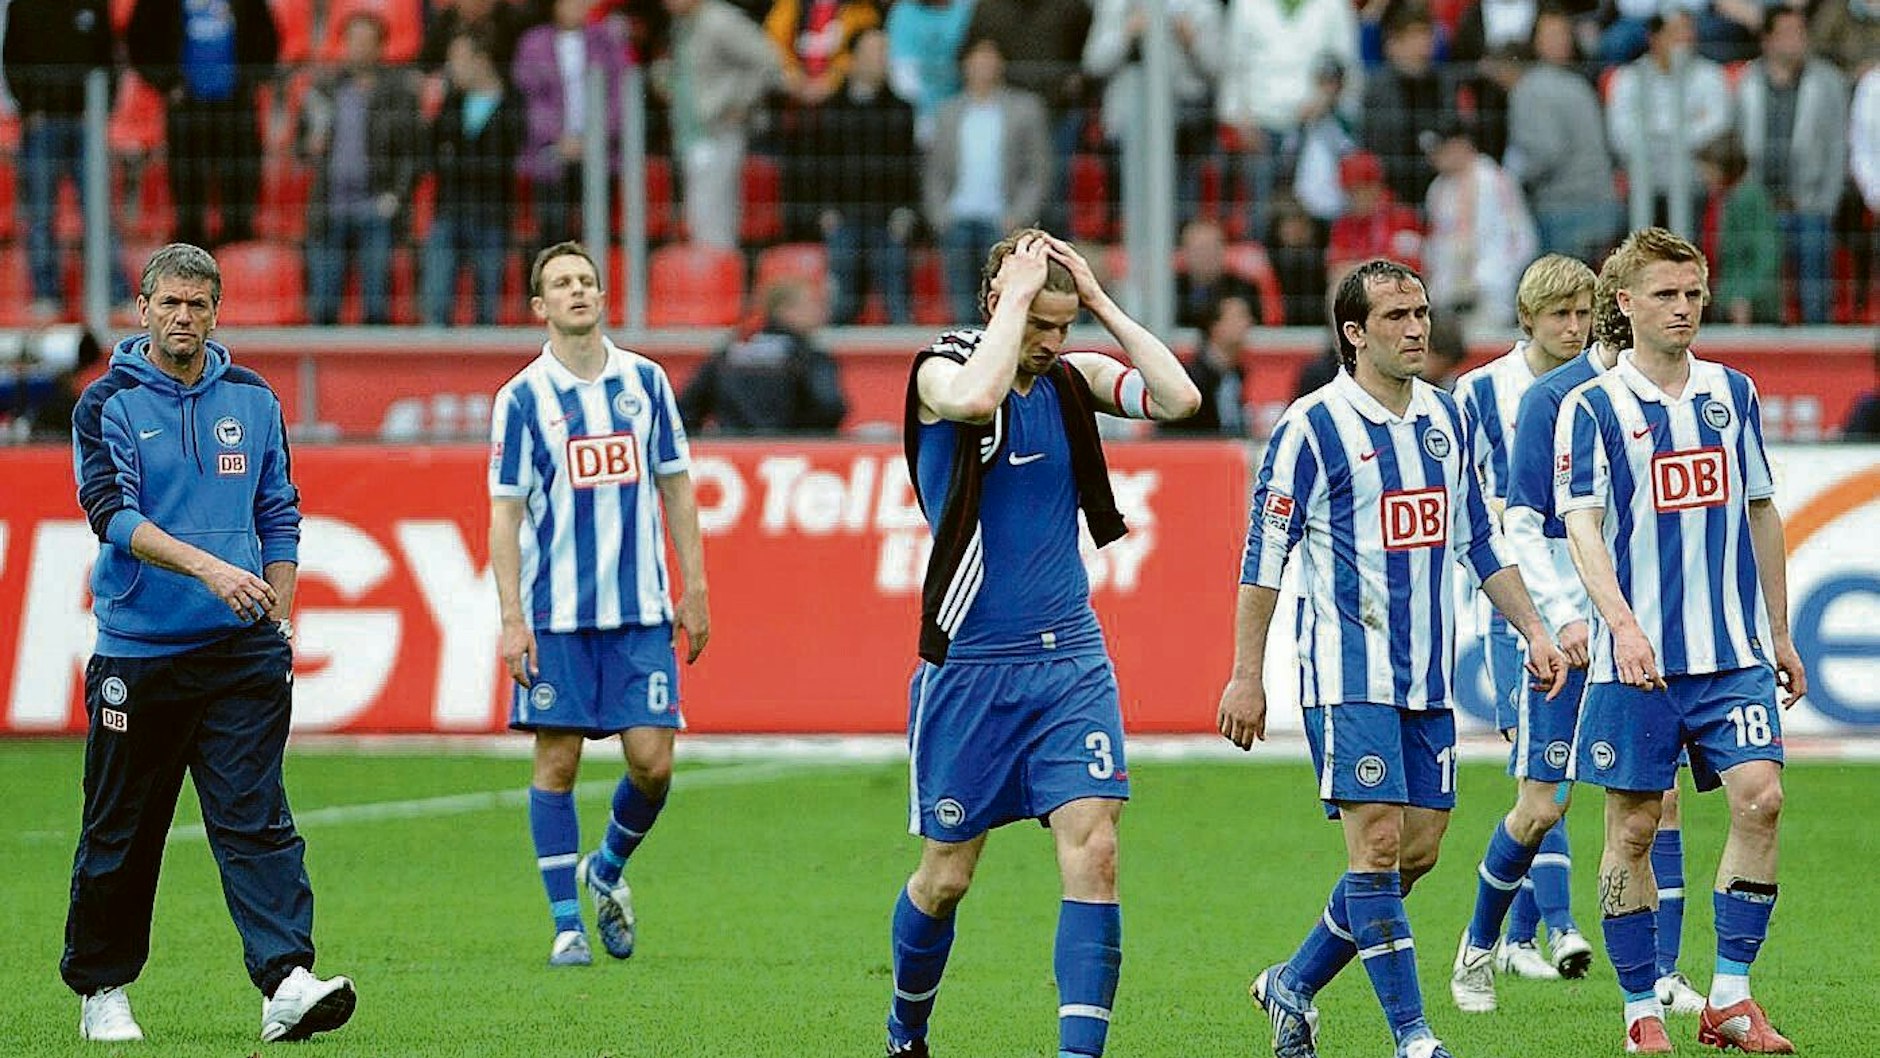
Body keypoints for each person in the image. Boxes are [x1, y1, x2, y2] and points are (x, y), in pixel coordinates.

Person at [1218, 258, 1567, 1058]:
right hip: (1348, 674)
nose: (1418, 329)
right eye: (1397, 317)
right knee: (1374, 847)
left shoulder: (1447, 421)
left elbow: (1481, 541)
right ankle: (1414, 1037)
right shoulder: (1311, 428)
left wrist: (1534, 631)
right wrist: (1246, 674)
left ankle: (1294, 983)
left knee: (1415, 854)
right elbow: (1262, 558)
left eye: (1421, 313)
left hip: (1427, 676)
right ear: (1353, 333)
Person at [885, 229, 1200, 1058]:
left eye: (1065, 328)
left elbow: (1179, 400)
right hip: (972, 665)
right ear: (998, 302)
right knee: (945, 877)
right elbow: (972, 402)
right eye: (1040, 324)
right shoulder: (938, 370)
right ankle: (905, 1030)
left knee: (1095, 851)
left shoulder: (1067, 379)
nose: (1053, 344)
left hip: (1070, 664)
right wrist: (1017, 302)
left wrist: (1096, 301)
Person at [63, 243, 356, 1043]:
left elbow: (279, 510)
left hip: (240, 654)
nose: (183, 318)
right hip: (140, 651)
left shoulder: (254, 399)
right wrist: (211, 570)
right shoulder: (107, 403)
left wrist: (278, 610)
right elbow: (110, 516)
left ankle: (286, 981)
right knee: (123, 826)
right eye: (170, 304)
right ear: (143, 308)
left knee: (257, 818)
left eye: (198, 305)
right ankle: (103, 989)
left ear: (216, 312)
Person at [1554, 226, 1804, 1054]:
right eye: (1666, 293)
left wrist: (1780, 631)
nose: (1685, 307)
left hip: (1730, 653)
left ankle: (1730, 996)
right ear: (1623, 305)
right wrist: (1620, 625)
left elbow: (1761, 510)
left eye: (1693, 292)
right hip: (1641, 662)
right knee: (1631, 831)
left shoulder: (1734, 392)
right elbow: (1583, 531)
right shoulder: (1590, 407)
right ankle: (1638, 1012)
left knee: (1761, 799)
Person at [488, 242, 712, 968]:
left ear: (601, 296)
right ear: (540, 307)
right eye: (561, 283)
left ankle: (607, 867)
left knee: (653, 763)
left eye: (586, 280)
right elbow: (505, 514)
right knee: (556, 765)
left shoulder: (645, 382)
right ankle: (565, 927)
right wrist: (512, 618)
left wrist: (696, 586)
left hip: (640, 610)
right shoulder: (522, 399)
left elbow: (676, 484)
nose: (577, 290)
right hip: (555, 615)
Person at [1448, 255, 1601, 1006]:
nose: (1573, 328)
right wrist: (1520, 601)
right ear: (1528, 318)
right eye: (1559, 315)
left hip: (1603, 612)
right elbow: (1472, 509)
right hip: (1519, 614)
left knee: (1636, 797)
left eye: (1583, 313)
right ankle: (1554, 928)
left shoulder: (1605, 387)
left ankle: (1516, 940)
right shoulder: (1479, 394)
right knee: (1543, 785)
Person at [2, 0, 136, 320]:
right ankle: (46, 295)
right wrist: (28, 108)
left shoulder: (93, 4)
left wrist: (102, 107)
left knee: (99, 212)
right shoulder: (24, 6)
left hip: (85, 121)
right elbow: (12, 60)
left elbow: (109, 58)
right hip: (42, 122)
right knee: (41, 212)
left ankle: (115, 295)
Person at [677, 279, 848, 433]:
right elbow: (830, 406)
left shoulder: (729, 352)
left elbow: (686, 410)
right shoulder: (807, 356)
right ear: (785, 309)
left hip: (731, 455)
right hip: (788, 457)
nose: (822, 312)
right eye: (814, 304)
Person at [1162, 294, 1254, 436]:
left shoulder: (1237, 374)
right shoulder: (1191, 379)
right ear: (1215, 326)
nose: (1248, 323)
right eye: (1238, 317)